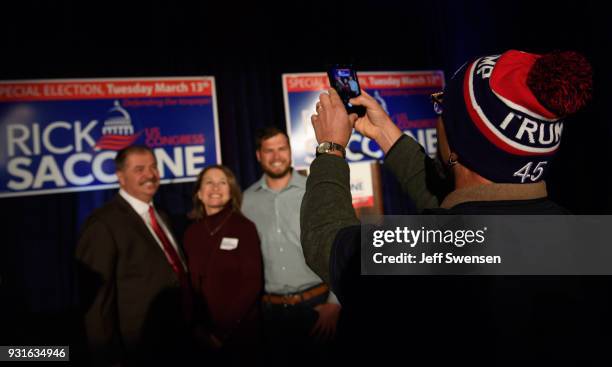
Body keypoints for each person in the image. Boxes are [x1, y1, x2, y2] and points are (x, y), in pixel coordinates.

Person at [302, 50, 597, 364]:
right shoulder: (583, 240)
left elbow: (326, 239)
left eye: (442, 105)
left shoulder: (431, 252)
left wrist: (330, 148)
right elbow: (464, 210)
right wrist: (386, 133)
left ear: (457, 139)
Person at [75, 145, 193, 366]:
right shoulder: (103, 224)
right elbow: (97, 302)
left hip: (177, 341)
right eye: (139, 169)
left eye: (154, 167)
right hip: (138, 349)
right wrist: (107, 356)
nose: (150, 174)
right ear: (121, 177)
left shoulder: (161, 216)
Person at [241, 127, 341, 360]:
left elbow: (339, 245)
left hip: (318, 308)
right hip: (271, 315)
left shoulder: (314, 190)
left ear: (290, 151)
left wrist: (335, 303)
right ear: (258, 155)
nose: (276, 156)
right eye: (269, 151)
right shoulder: (246, 201)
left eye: (281, 149)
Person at [183, 165, 263, 363]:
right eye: (209, 182)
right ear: (199, 193)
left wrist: (221, 332)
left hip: (239, 333)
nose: (215, 188)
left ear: (231, 191)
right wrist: (198, 329)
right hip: (201, 336)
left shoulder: (244, 228)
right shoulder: (190, 233)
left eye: (222, 183)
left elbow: (252, 283)